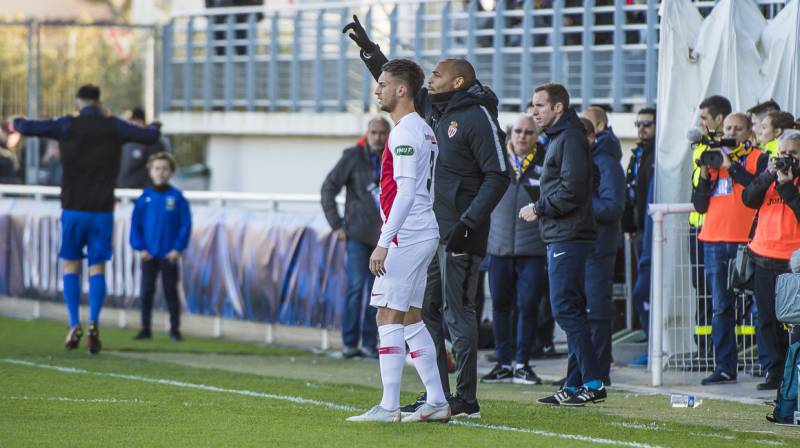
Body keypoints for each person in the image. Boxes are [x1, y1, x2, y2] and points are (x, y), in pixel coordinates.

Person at [344, 16, 509, 418]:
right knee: (418, 315)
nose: (430, 78)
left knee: (407, 313)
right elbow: (400, 82)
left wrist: (466, 223)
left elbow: (497, 174)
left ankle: (435, 400)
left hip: (436, 228)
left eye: (438, 74)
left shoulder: (443, 123)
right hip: (428, 226)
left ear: (458, 82)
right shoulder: (428, 116)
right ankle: (437, 397)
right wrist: (370, 51)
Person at [10, 84, 160, 354]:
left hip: (73, 208)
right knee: (97, 267)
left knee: (71, 264)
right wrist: (156, 126)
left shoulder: (67, 125)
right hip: (102, 210)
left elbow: (32, 127)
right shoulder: (114, 126)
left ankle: (72, 322)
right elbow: (148, 137)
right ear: (99, 101)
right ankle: (93, 322)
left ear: (78, 103)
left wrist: (15, 122)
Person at [346, 58, 450, 423]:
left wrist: (384, 241)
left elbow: (405, 193)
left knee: (387, 314)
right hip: (423, 230)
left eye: (383, 84)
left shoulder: (405, 132)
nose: (378, 90)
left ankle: (389, 407)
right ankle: (437, 401)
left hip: (408, 233)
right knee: (410, 318)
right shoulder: (421, 129)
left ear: (402, 89)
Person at [520, 82, 604, 406]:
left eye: (540, 105)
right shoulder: (562, 137)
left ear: (558, 108)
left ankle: (594, 382)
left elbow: (574, 189)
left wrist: (539, 207)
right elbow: (588, 178)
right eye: (533, 105)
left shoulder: (568, 137)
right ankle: (573, 385)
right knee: (572, 311)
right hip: (564, 233)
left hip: (568, 235)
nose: (534, 111)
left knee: (565, 310)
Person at [692, 112, 767, 385]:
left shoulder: (759, 158)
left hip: (749, 242)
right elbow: (699, 205)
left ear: (749, 132)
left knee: (760, 307)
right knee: (721, 308)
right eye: (728, 128)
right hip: (714, 240)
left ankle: (767, 365)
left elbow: (757, 190)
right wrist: (704, 173)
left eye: (738, 128)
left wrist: (731, 165)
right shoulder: (712, 159)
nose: (732, 132)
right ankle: (724, 367)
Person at [480, 115, 546, 386]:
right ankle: (503, 362)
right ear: (509, 134)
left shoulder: (544, 162)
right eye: (518, 131)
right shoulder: (497, 162)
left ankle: (523, 363)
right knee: (500, 306)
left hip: (532, 249)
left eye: (529, 133)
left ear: (536, 136)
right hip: (498, 248)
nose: (522, 137)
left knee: (529, 305)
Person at [320, 117, 389, 358]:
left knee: (377, 293)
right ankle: (349, 343)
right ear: (367, 134)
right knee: (356, 287)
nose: (378, 137)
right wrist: (336, 224)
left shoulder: (395, 157)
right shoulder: (353, 157)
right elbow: (328, 187)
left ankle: (370, 344)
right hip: (358, 235)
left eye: (382, 133)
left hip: (385, 238)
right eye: (374, 132)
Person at [743, 129, 800, 391]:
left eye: (793, 154)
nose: (786, 159)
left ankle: (794, 371)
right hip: (764, 256)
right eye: (782, 153)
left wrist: (788, 187)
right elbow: (748, 199)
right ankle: (773, 372)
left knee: (795, 321)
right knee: (766, 319)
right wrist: (768, 174)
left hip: (794, 262)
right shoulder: (769, 176)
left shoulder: (793, 182)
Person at [581, 108, 625, 385]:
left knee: (596, 308)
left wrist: (577, 204)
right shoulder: (591, 159)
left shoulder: (606, 162)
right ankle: (586, 370)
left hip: (599, 245)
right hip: (585, 243)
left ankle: (598, 371)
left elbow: (612, 206)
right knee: (583, 309)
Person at [130, 152, 192, 342]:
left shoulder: (177, 197)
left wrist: (177, 248)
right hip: (149, 255)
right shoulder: (145, 198)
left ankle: (175, 329)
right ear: (150, 171)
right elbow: (136, 225)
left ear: (171, 172)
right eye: (157, 168)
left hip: (169, 255)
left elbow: (185, 225)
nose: (161, 172)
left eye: (165, 169)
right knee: (146, 291)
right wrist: (140, 248)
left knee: (171, 292)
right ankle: (145, 328)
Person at [690, 95, 732, 358]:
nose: (701, 123)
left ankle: (720, 349)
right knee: (701, 289)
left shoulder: (731, 149)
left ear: (719, 119)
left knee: (720, 293)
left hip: (721, 229)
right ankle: (704, 347)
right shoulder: (701, 148)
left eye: (704, 117)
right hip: (699, 224)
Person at [623, 107, 656, 346]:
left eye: (647, 124)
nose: (642, 128)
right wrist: (628, 224)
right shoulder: (638, 154)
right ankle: (647, 337)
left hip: (653, 228)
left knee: (644, 290)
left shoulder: (657, 154)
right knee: (639, 288)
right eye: (638, 124)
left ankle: (654, 341)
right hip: (638, 229)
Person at [118, 107, 169, 189]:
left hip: (142, 192)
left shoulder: (152, 141)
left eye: (132, 120)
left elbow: (158, 167)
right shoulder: (125, 141)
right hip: (123, 191)